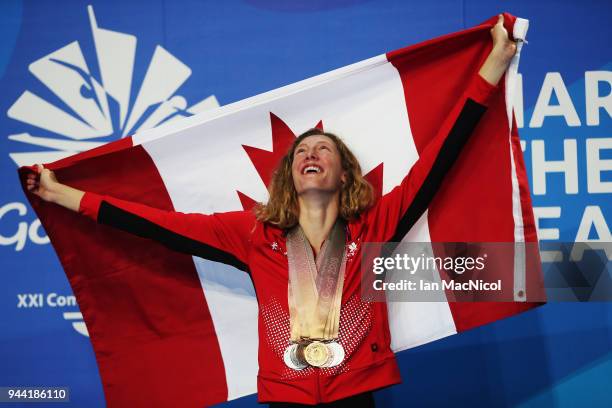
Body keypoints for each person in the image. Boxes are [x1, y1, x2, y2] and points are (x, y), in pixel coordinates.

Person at [26, 15, 517, 407]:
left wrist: (492, 64)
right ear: (288, 175)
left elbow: (441, 157)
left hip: (355, 394)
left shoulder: (376, 227)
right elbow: (156, 225)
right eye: (302, 151)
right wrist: (62, 195)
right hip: (286, 396)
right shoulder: (251, 234)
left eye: (324, 150)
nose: (310, 154)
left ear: (345, 175)